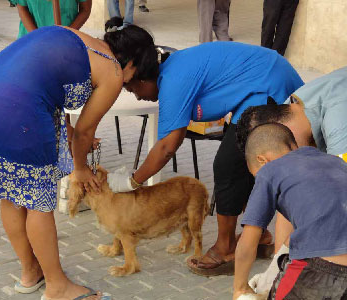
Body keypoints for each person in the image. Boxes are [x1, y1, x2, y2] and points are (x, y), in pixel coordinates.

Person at [0, 21, 159, 300]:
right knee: (38, 203)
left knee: (11, 195)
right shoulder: (114, 71)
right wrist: (80, 169)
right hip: (21, 112)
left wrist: (70, 139)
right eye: (136, 74)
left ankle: (30, 273)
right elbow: (84, 132)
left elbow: (45, 86)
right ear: (131, 62)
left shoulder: (76, 37)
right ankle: (58, 287)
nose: (130, 81)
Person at [106, 35, 304, 275]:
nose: (136, 95)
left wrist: (132, 181)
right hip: (260, 84)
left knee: (227, 166)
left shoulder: (173, 80)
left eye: (132, 88)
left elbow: (168, 146)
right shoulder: (171, 71)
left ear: (142, 74)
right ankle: (259, 234)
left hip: (270, 83)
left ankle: (226, 247)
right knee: (243, 163)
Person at [236, 66, 347, 294]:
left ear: (264, 159)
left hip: (325, 267)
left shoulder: (339, 119)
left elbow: (249, 240)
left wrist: (239, 287)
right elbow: (289, 203)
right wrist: (278, 263)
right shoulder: (291, 109)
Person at [9, 0, 92, 39]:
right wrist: (37, 38)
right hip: (30, 39)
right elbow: (22, 8)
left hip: (65, 42)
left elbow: (85, 9)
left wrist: (66, 34)